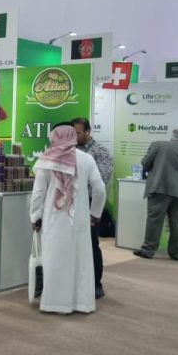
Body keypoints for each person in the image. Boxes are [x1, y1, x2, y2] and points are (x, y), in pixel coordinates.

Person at [30, 124, 106, 314]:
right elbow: (100, 190)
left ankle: (53, 303)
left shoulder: (46, 159)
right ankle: (81, 303)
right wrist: (95, 214)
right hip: (79, 219)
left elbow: (38, 193)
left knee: (55, 259)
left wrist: (35, 216)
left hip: (54, 219)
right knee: (80, 259)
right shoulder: (86, 159)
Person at [71, 117, 113, 299]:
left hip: (88, 202)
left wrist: (94, 214)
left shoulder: (100, 152)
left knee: (91, 244)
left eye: (78, 132)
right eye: (72, 132)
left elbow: (101, 181)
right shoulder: (67, 150)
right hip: (68, 203)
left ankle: (96, 283)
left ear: (88, 131)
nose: (74, 136)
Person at [133, 128, 178, 261]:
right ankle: (176, 253)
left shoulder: (158, 145)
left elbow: (145, 163)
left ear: (172, 136)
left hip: (160, 187)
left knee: (154, 220)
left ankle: (148, 250)